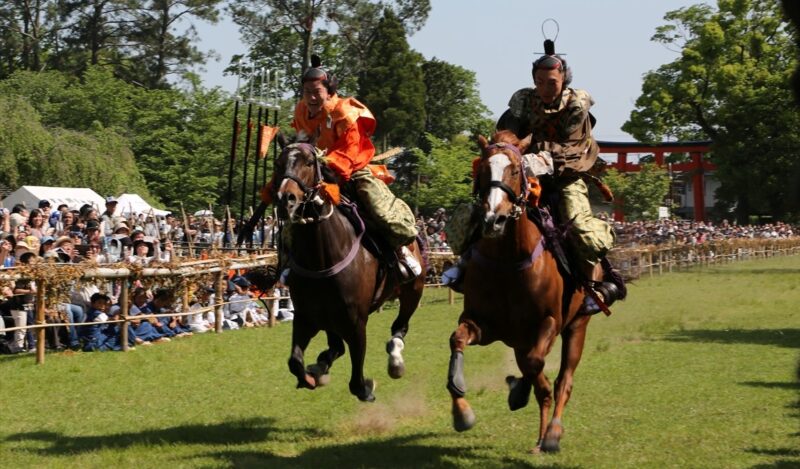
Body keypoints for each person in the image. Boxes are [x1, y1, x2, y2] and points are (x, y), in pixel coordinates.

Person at [443, 39, 624, 313]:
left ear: (563, 79)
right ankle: (465, 264)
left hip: (565, 176)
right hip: (523, 174)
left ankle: (594, 284)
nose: (545, 88)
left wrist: (531, 157)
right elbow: (506, 136)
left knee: (579, 227)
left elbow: (572, 149)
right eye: (539, 82)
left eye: (551, 82)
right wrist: (506, 154)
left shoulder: (577, 105)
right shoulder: (523, 102)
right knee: (485, 210)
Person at [261, 56, 421, 283]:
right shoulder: (301, 111)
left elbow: (349, 150)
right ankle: (286, 263)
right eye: (307, 92)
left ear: (329, 90)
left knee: (377, 206)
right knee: (291, 213)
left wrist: (324, 165)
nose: (312, 97)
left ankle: (400, 250)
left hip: (351, 169)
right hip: (315, 173)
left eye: (316, 91)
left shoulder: (345, 113)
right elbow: (303, 142)